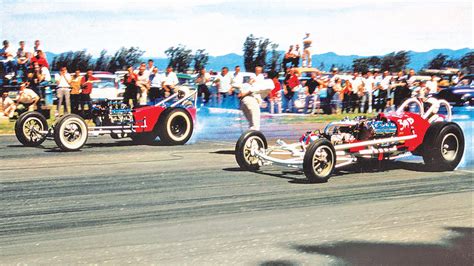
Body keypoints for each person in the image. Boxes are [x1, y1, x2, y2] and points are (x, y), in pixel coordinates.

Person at [239, 66, 272, 130]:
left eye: (259, 70)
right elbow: (251, 86)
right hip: (252, 97)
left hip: (254, 96)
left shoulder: (261, 77)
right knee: (255, 122)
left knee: (253, 120)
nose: (258, 71)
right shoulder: (253, 76)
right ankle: (253, 133)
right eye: (257, 70)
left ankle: (252, 132)